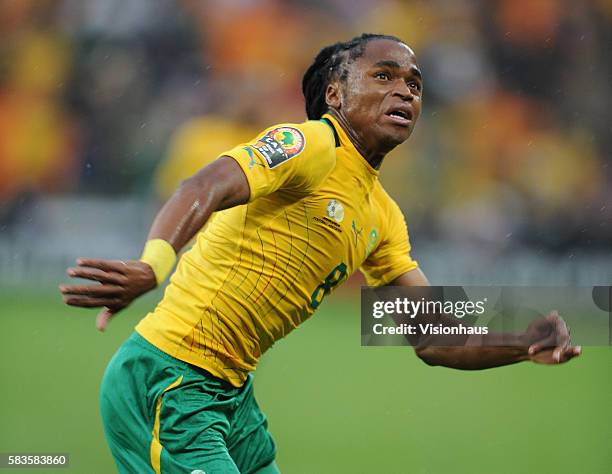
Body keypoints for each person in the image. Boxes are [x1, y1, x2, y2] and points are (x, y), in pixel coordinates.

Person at [60, 34, 581, 474]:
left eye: (414, 83)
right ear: (335, 93)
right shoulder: (311, 145)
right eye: (383, 76)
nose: (404, 89)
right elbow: (207, 183)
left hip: (229, 396)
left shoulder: (383, 216)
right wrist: (154, 263)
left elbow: (432, 338)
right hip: (167, 380)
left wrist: (520, 343)